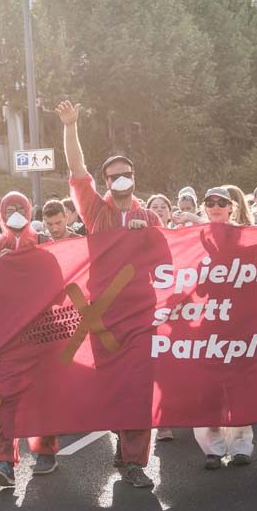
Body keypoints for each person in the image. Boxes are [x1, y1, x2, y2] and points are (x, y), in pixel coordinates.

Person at [58, 99, 161, 489]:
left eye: (127, 174)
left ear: (134, 177)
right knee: (114, 388)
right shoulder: (95, 212)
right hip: (102, 318)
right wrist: (71, 127)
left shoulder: (149, 216)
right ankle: (123, 438)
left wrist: (146, 238)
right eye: (114, 175)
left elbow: (166, 260)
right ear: (106, 182)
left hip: (141, 316)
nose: (121, 179)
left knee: (138, 388)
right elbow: (77, 170)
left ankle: (135, 462)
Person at [0, 191, 58, 485]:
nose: (15, 213)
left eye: (21, 208)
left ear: (29, 211)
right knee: (7, 399)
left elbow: (58, 286)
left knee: (44, 395)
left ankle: (45, 451)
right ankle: (4, 462)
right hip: (8, 336)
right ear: (1, 213)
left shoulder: (43, 244)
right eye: (10, 208)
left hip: (41, 334)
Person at [193, 187, 257, 467]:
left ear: (231, 207)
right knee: (209, 386)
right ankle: (213, 448)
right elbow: (198, 285)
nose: (216, 206)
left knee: (241, 384)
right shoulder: (193, 239)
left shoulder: (249, 237)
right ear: (204, 207)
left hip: (242, 319)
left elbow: (253, 275)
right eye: (210, 202)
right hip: (209, 320)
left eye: (222, 202)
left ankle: (242, 445)